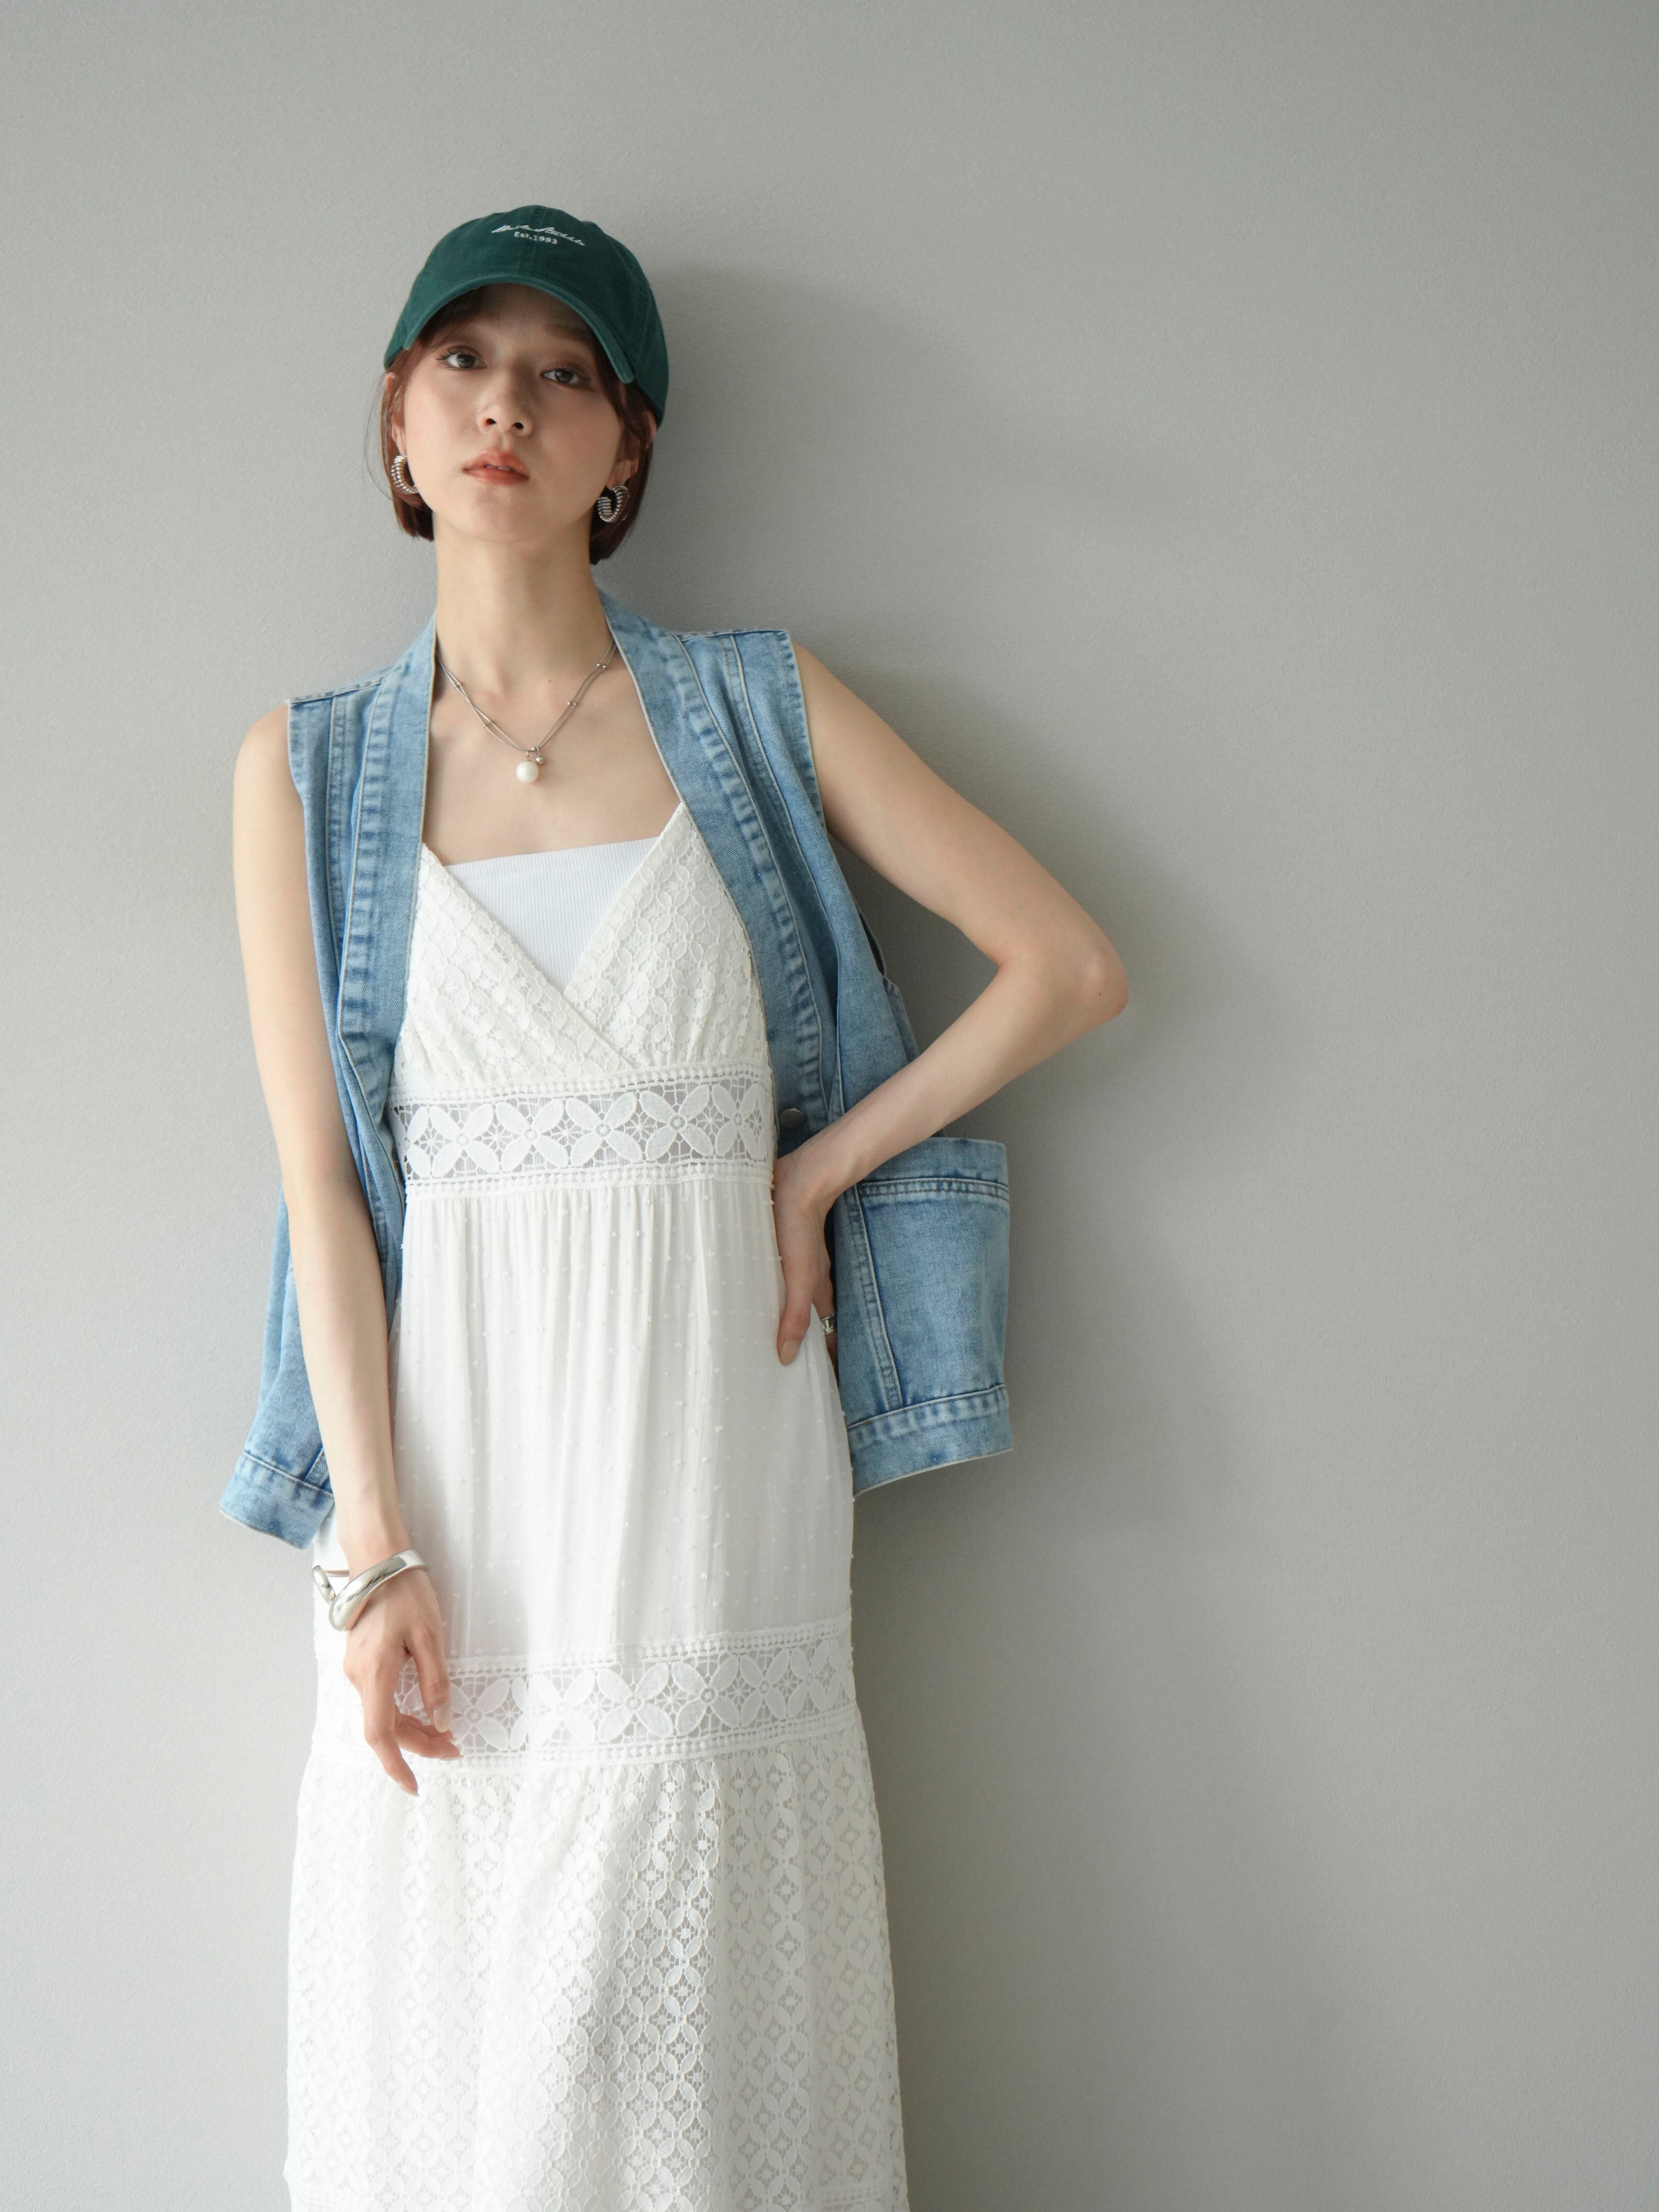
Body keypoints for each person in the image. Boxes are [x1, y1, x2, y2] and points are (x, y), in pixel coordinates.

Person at [229, 204, 1127, 2211]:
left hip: (712, 1455)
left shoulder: (754, 709)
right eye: (466, 361)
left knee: (670, 2031)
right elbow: (322, 1186)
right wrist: (373, 1550)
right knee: (465, 2030)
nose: (508, 407)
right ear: (397, 417)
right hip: (447, 1482)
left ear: (625, 449)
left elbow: (1066, 967)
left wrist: (818, 1162)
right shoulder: (307, 771)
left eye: (567, 375)